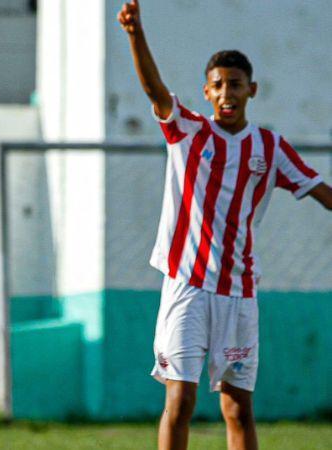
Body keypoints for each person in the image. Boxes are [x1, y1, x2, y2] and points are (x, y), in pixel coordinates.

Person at [118, 2, 332, 449]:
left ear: (252, 89)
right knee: (180, 399)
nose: (227, 93)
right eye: (218, 85)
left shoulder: (270, 147)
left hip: (239, 292)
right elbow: (155, 90)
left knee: (237, 407)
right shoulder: (189, 132)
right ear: (207, 92)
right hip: (187, 285)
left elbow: (322, 193)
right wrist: (135, 33)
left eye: (235, 84)